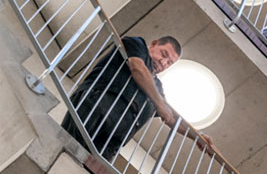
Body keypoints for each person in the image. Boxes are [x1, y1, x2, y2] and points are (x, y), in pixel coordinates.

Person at [61, 36, 215, 161]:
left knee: (89, 172)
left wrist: (197, 136)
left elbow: (171, 118)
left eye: (169, 63)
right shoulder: (137, 44)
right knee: (64, 150)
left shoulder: (158, 87)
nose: (163, 62)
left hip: (114, 138)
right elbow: (137, 68)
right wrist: (160, 104)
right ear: (153, 44)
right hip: (97, 106)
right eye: (164, 54)